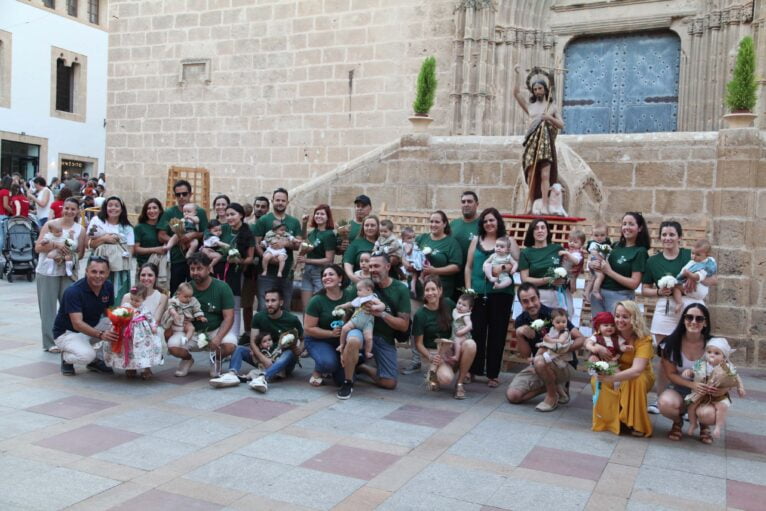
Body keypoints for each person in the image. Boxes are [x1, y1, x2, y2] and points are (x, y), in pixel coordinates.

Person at [337, 253, 410, 399]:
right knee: (353, 340)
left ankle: (362, 367)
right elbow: (347, 313)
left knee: (390, 383)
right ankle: (348, 382)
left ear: (388, 267)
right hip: (359, 329)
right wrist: (343, 342)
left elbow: (403, 326)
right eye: (370, 266)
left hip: (383, 337)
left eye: (376, 266)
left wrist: (381, 314)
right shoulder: (362, 286)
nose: (372, 269)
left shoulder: (400, 289)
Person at [464, 208, 520, 387]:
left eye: (492, 220)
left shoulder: (509, 240)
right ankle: (473, 370)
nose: (489, 224)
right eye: (486, 221)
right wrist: (468, 290)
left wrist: (501, 269)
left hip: (501, 294)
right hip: (478, 293)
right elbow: (469, 267)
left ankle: (493, 374)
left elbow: (516, 265)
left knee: (497, 333)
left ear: (498, 221)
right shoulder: (476, 240)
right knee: (476, 331)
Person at [506, 283, 585, 411]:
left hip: (563, 363)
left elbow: (580, 339)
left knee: (538, 360)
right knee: (513, 396)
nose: (531, 304)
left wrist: (560, 349)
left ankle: (551, 397)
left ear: (539, 297)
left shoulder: (553, 314)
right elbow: (525, 355)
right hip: (539, 364)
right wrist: (519, 334)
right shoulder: (521, 320)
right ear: (520, 303)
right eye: (525, 301)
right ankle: (554, 385)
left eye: (533, 299)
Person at [209, 288, 304, 392]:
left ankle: (263, 378)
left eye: (273, 300)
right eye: (267, 301)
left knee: (289, 353)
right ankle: (232, 374)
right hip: (264, 357)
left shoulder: (292, 319)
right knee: (239, 349)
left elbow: (303, 339)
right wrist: (263, 359)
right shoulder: (259, 317)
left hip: (283, 362)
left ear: (281, 302)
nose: (269, 304)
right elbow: (253, 342)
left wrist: (299, 350)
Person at [166, 252, 238, 377]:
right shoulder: (185, 288)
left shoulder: (222, 287)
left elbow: (229, 317)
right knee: (172, 346)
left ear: (209, 268)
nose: (195, 272)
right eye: (192, 269)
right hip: (190, 332)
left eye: (199, 268)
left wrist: (218, 337)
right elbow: (172, 307)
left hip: (215, 330)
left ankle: (215, 360)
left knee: (230, 344)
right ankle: (187, 359)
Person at [591, 301, 654, 437]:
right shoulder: (611, 329)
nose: (620, 320)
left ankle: (635, 423)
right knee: (597, 379)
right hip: (614, 369)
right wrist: (597, 348)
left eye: (625, 317)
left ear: (634, 318)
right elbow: (589, 340)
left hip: (639, 374)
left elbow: (637, 370)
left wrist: (612, 378)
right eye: (617, 316)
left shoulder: (644, 339)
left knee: (635, 380)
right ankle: (610, 420)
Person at [657, 303, 716, 443]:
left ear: (705, 323)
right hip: (679, 388)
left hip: (704, 390)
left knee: (709, 414)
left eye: (699, 319)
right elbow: (671, 374)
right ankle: (678, 422)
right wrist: (692, 384)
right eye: (689, 317)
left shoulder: (714, 344)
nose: (693, 322)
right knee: (665, 404)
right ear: (683, 320)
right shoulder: (671, 343)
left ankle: (704, 424)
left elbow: (724, 371)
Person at [35, 198, 86, 352]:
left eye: (73, 209)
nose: (69, 212)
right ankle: (50, 342)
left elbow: (81, 253)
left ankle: (67, 339)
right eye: (67, 208)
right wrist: (55, 245)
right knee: (47, 307)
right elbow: (38, 247)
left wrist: (67, 255)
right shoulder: (51, 224)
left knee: (69, 306)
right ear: (62, 208)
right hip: (47, 270)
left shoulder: (80, 229)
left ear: (78, 211)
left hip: (67, 271)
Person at [52, 256, 118, 376]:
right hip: (68, 333)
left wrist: (120, 324)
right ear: (86, 271)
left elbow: (108, 310)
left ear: (108, 273)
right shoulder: (73, 292)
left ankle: (96, 360)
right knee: (86, 356)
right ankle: (67, 357)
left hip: (89, 328)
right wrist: (101, 334)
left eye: (102, 272)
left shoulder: (108, 286)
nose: (98, 276)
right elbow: (77, 324)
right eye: (94, 271)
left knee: (115, 326)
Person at [414, 277, 476, 399]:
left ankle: (459, 384)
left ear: (440, 291)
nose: (430, 293)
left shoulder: (449, 304)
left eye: (433, 289)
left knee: (471, 344)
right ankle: (433, 374)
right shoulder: (420, 314)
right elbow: (418, 344)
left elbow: (462, 316)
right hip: (433, 351)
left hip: (452, 347)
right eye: (427, 290)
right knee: (446, 379)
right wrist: (430, 356)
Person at [513, 64, 564, 214]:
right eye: (535, 89)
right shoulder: (530, 107)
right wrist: (517, 74)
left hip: (546, 143)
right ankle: (529, 204)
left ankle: (545, 205)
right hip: (532, 142)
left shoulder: (551, 106)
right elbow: (516, 93)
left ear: (545, 89)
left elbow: (561, 124)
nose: (537, 91)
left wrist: (549, 117)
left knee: (545, 174)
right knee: (530, 174)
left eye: (540, 88)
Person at [683, 337, 745, 439]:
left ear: (724, 357)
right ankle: (693, 423)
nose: (712, 355)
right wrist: (689, 372)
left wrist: (740, 388)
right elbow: (693, 370)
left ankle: (718, 427)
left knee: (721, 407)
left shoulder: (725, 367)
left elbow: (736, 376)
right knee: (691, 405)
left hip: (718, 395)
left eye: (717, 353)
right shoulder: (702, 364)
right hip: (701, 393)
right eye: (709, 352)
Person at [589, 212, 649, 315]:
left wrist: (609, 272)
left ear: (640, 228)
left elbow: (634, 283)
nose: (626, 227)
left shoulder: (640, 251)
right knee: (598, 329)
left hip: (620, 297)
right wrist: (592, 265)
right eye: (624, 224)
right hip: (599, 293)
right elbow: (600, 264)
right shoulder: (615, 245)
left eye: (631, 224)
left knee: (616, 330)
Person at [253, 188, 302, 312]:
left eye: (283, 200)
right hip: (266, 273)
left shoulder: (294, 222)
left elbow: (297, 245)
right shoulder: (264, 220)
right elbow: (256, 243)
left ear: (287, 202)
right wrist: (267, 258)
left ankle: (285, 332)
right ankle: (264, 332)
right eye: (277, 200)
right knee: (264, 307)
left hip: (286, 272)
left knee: (285, 306)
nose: (280, 203)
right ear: (272, 201)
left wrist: (285, 243)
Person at [303, 264, 352, 387]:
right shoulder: (317, 300)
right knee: (328, 363)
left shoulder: (349, 296)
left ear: (340, 278)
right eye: (324, 275)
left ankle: (350, 366)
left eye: (331, 274)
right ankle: (321, 368)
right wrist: (331, 333)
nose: (326, 277)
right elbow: (308, 328)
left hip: (341, 342)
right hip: (318, 340)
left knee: (342, 381)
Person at [157, 180, 208, 293]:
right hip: (177, 258)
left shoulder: (199, 212)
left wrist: (192, 236)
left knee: (196, 289)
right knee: (176, 290)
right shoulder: (169, 213)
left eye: (184, 194)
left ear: (190, 194)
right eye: (178, 194)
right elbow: (161, 235)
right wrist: (179, 239)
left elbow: (205, 233)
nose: (181, 197)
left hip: (196, 259)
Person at [104, 283, 163, 379]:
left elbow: (150, 318)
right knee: (129, 350)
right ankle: (131, 367)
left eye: (137, 300)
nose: (133, 302)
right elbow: (118, 316)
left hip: (142, 335)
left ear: (143, 299)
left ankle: (146, 368)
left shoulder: (144, 308)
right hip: (128, 333)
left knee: (144, 350)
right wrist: (113, 323)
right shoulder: (126, 306)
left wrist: (153, 326)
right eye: (132, 299)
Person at [218, 203, 255, 337]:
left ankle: (233, 336)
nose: (229, 217)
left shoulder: (248, 233)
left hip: (238, 272)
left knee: (234, 304)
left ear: (241, 215)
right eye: (227, 215)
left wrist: (238, 261)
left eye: (232, 214)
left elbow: (250, 258)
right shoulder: (222, 229)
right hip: (220, 271)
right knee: (221, 304)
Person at [87, 196, 135, 299]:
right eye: (110, 205)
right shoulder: (97, 221)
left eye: (117, 206)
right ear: (105, 207)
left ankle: (116, 313)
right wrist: (104, 239)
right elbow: (89, 243)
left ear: (122, 209)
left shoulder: (127, 227)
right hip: (98, 264)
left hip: (119, 266)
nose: (113, 208)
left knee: (116, 294)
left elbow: (130, 249)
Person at [415, 211, 463, 300]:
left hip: (441, 290)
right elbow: (408, 253)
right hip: (420, 288)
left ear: (444, 224)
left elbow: (456, 267)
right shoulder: (422, 238)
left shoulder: (451, 243)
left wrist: (435, 270)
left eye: (437, 222)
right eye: (431, 221)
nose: (433, 224)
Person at [519, 219, 565, 308]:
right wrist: (548, 279)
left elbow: (568, 268)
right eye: (536, 228)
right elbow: (524, 279)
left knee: (559, 321)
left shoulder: (558, 249)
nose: (540, 230)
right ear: (532, 232)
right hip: (535, 296)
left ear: (547, 231)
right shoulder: (526, 252)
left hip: (557, 294)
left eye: (543, 227)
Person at [298, 204, 337, 312]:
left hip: (320, 273)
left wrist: (306, 260)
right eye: (317, 213)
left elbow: (329, 260)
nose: (319, 216)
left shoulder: (329, 235)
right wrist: (304, 224)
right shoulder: (314, 232)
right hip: (307, 272)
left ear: (327, 217)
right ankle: (306, 329)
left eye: (322, 214)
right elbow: (304, 239)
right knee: (306, 308)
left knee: (319, 308)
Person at [242, 196, 270, 331]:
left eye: (263, 206)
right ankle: (248, 332)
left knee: (264, 302)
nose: (259, 209)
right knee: (247, 303)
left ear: (268, 209)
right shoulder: (247, 224)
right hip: (249, 270)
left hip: (267, 270)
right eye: (257, 206)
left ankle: (263, 332)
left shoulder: (272, 225)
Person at [335, 278, 380, 360]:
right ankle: (341, 344)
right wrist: (342, 306)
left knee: (369, 338)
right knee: (344, 328)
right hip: (356, 320)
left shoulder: (373, 298)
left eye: (359, 290)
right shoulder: (359, 299)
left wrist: (375, 307)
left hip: (367, 323)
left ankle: (367, 352)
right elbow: (350, 304)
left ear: (368, 289)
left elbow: (382, 305)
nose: (357, 292)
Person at [449, 191, 480, 283]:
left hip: (475, 275)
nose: (466, 204)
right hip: (454, 275)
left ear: (477, 204)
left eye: (469, 201)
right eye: (463, 202)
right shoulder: (454, 224)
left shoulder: (484, 224)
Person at [676, 239, 717, 304]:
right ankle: (679, 303)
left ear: (707, 255)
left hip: (696, 289)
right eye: (692, 253)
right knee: (676, 286)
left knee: (675, 286)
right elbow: (682, 272)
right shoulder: (692, 262)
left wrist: (690, 275)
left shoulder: (705, 265)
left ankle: (679, 303)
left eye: (698, 255)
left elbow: (700, 276)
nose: (694, 256)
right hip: (691, 292)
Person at [133, 198, 168, 269]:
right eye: (148, 208)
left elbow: (176, 225)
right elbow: (135, 249)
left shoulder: (165, 226)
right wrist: (155, 250)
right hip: (144, 267)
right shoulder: (139, 227)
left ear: (160, 210)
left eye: (155, 208)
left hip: (162, 267)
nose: (152, 211)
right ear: (145, 211)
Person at [343, 215, 379, 283]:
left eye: (372, 225)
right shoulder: (356, 243)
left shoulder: (383, 242)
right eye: (366, 225)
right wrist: (351, 276)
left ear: (378, 227)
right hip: (360, 281)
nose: (369, 228)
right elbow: (348, 262)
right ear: (363, 227)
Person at [583, 222, 612, 303]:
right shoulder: (593, 244)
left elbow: (609, 253)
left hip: (599, 263)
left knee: (593, 278)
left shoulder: (606, 245)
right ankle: (595, 291)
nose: (599, 237)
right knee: (600, 276)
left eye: (602, 235)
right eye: (596, 235)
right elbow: (594, 253)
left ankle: (586, 292)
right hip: (595, 262)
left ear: (606, 235)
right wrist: (602, 258)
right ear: (592, 235)